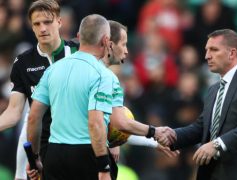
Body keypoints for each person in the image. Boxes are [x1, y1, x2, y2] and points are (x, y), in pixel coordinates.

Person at [161, 29, 237, 180]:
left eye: (213, 49)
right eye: (206, 50)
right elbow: (201, 128)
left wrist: (217, 145)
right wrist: (170, 136)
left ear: (232, 53)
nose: (207, 56)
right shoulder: (213, 90)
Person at [27, 14, 113, 180]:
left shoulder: (53, 69)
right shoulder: (102, 74)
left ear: (79, 37)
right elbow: (95, 123)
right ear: (105, 40)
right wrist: (103, 167)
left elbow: (33, 117)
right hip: (87, 153)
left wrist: (34, 157)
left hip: (54, 154)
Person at [0, 0, 79, 179]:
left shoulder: (78, 53)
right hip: (42, 147)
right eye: (37, 23)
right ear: (31, 27)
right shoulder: (23, 63)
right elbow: (13, 112)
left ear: (59, 22)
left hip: (77, 143)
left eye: (47, 22)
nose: (42, 28)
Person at [97, 20, 179, 162]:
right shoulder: (102, 77)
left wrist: (151, 141)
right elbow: (120, 123)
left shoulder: (82, 68)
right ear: (109, 44)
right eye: (123, 44)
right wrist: (155, 133)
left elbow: (117, 128)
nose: (127, 50)